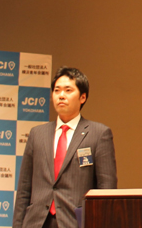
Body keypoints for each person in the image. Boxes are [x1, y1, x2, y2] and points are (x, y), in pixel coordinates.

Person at [13, 67, 117, 228]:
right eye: (57, 90)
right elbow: (24, 189)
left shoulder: (99, 134)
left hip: (76, 222)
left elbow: (106, 189)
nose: (61, 95)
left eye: (68, 90)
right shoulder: (37, 134)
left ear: (82, 97)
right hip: (37, 222)